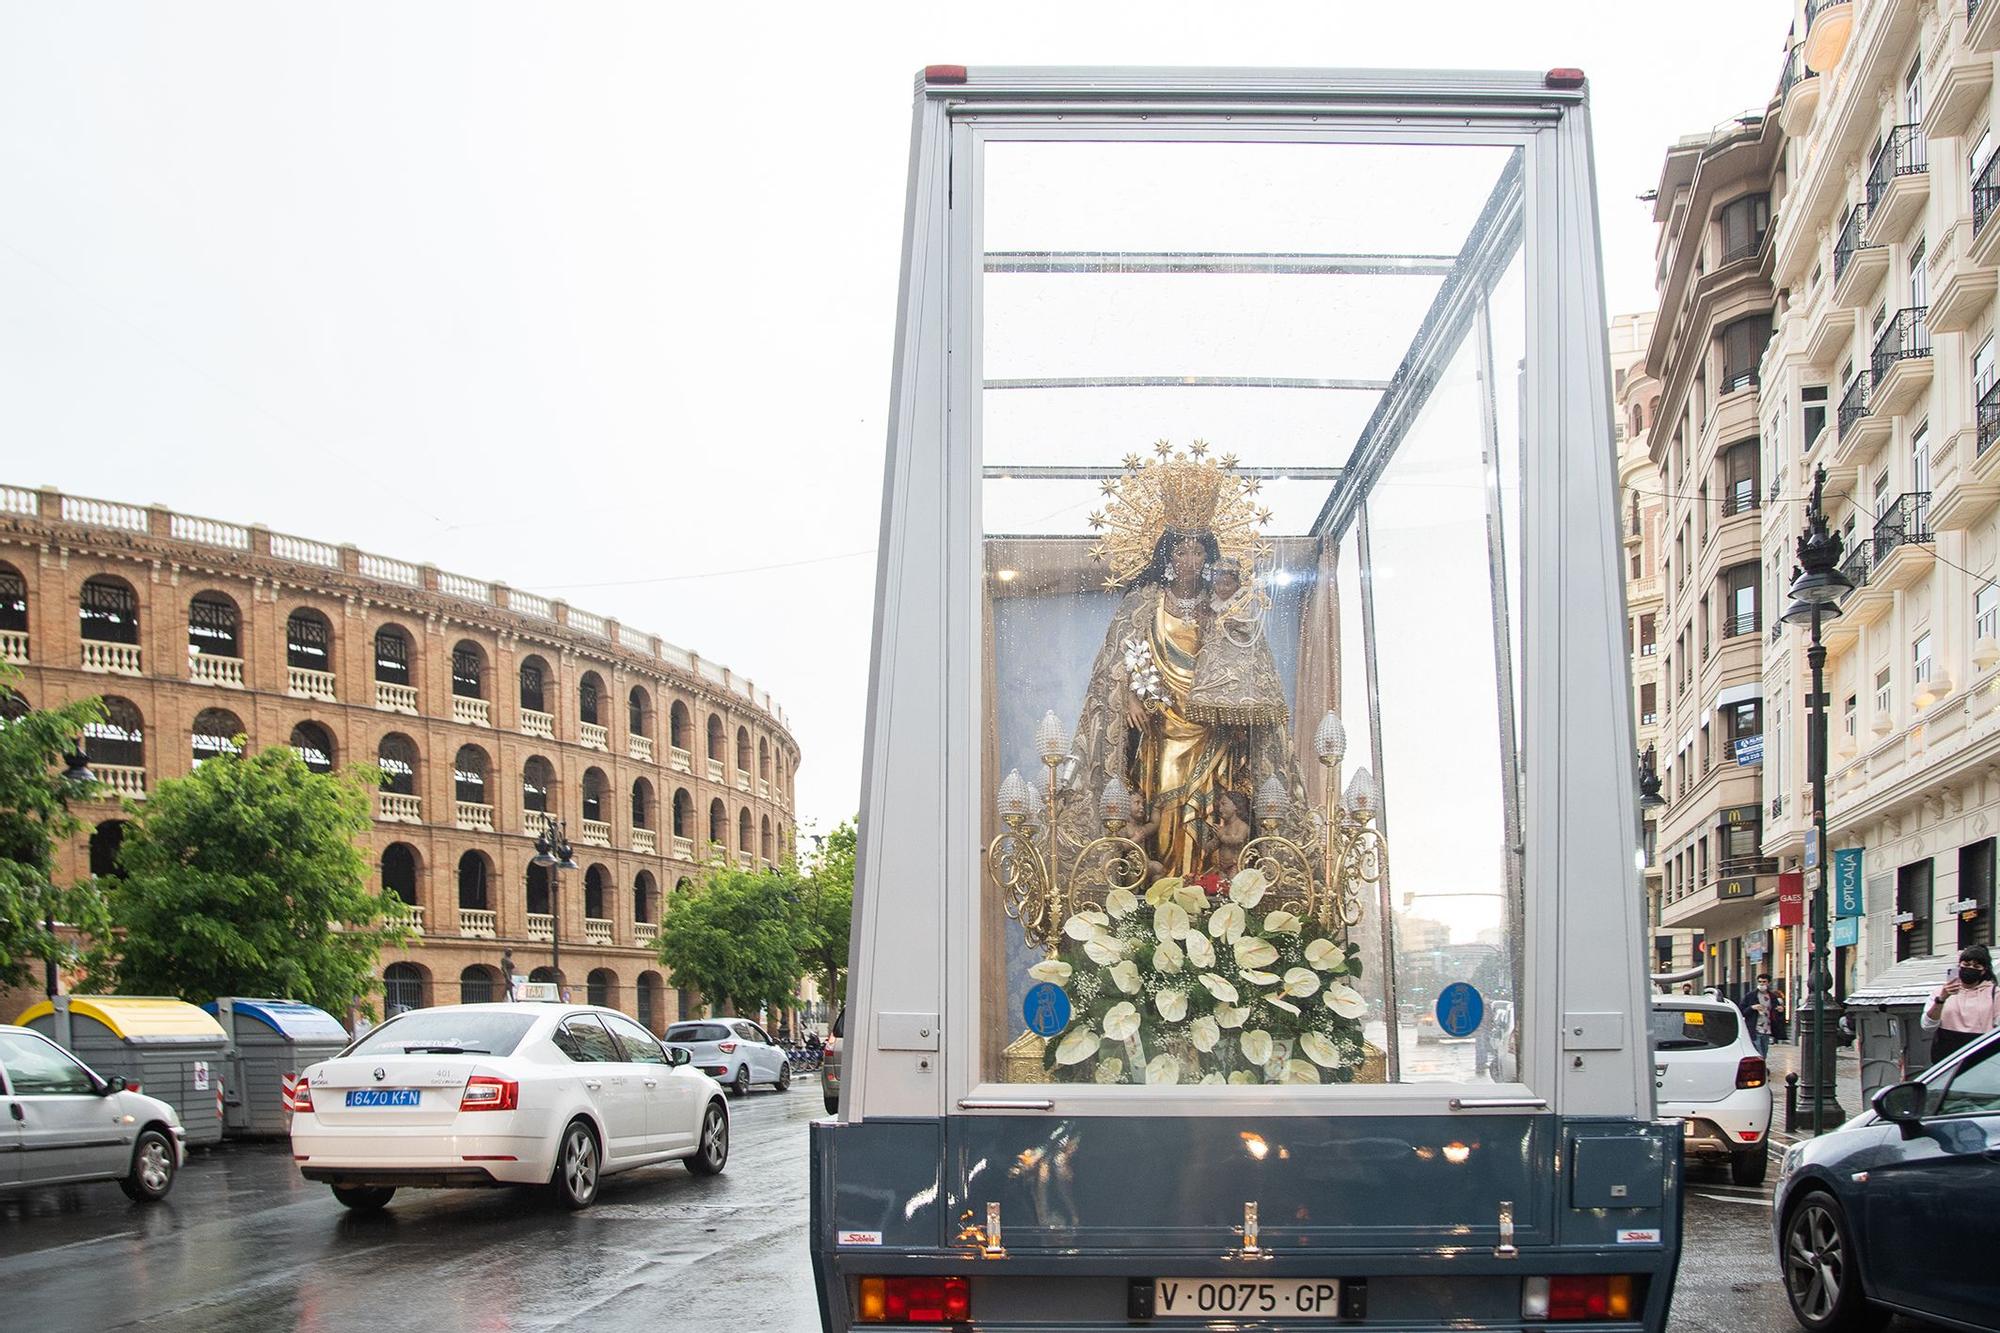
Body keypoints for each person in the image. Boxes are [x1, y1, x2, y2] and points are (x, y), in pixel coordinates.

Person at [1920, 944, 2000, 1063]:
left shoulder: (1995, 993)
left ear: (1984, 971)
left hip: (1981, 1057)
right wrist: (1941, 999)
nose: (1970, 968)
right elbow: (1928, 1025)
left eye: (1976, 966)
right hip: (1946, 1059)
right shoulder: (1941, 991)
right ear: (1959, 966)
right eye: (1966, 964)